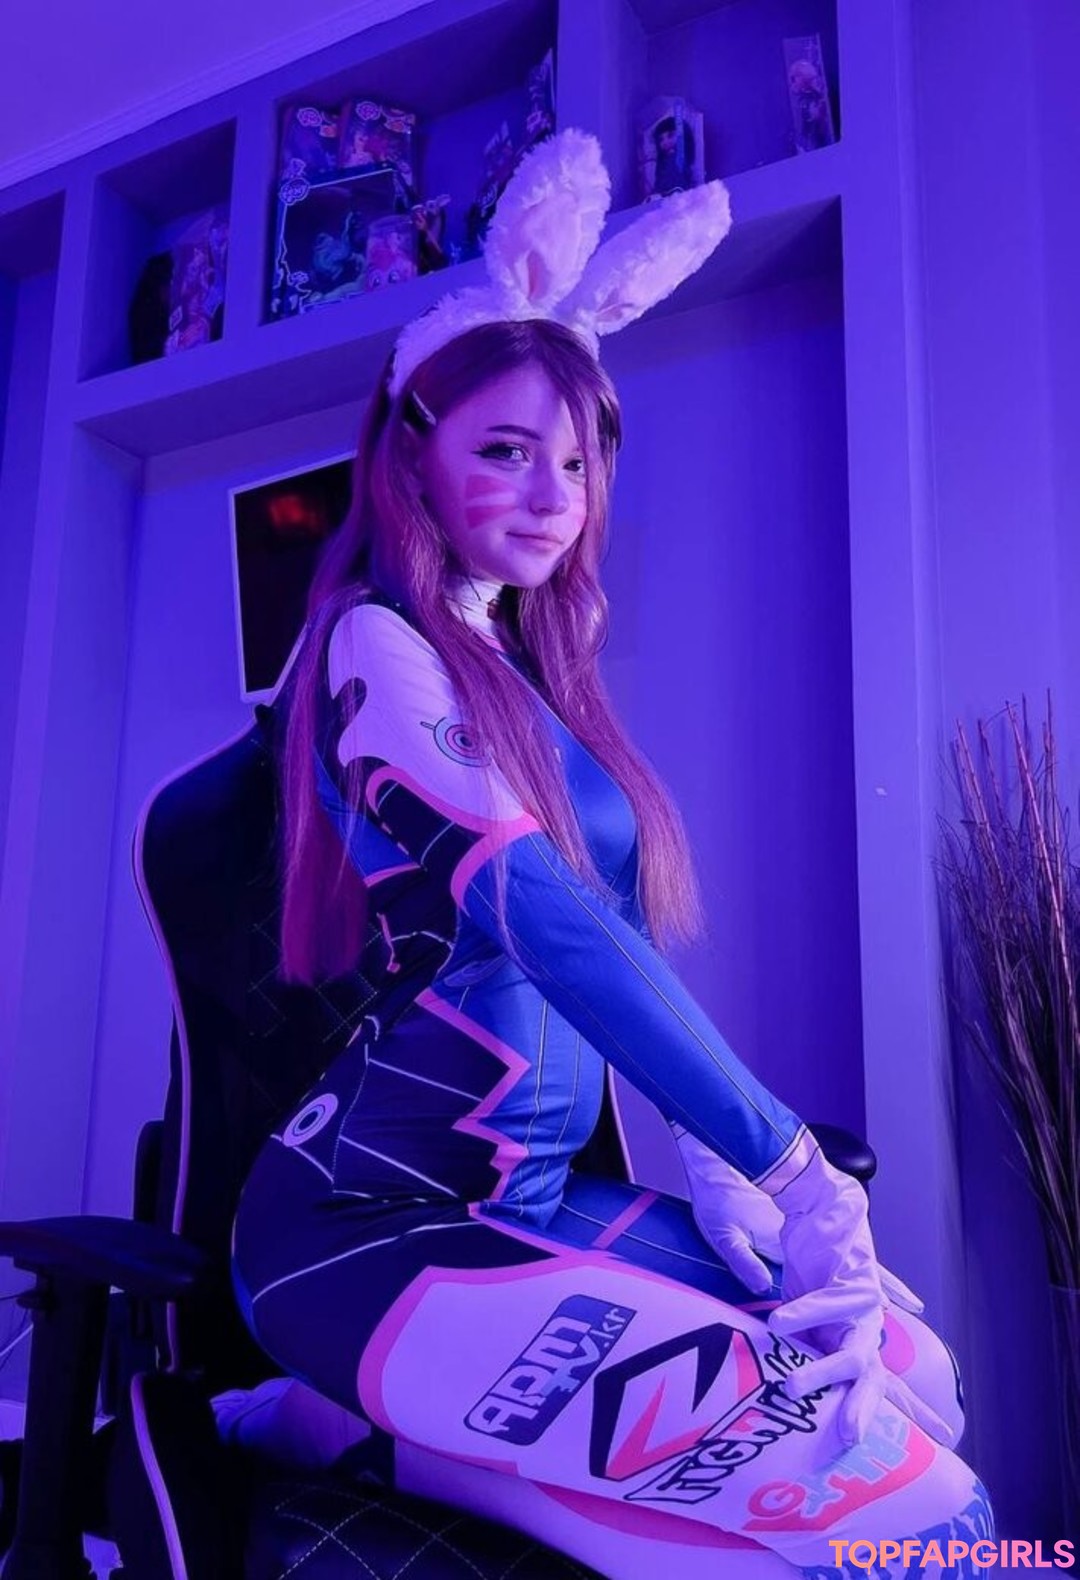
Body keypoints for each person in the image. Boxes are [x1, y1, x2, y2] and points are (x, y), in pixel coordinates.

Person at [230, 130, 993, 1577]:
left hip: (527, 1207)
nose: (551, 494)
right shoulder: (372, 644)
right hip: (366, 1224)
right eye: (504, 450)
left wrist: (720, 1170)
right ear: (411, 455)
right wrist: (796, 1170)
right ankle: (350, 1415)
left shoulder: (529, 683)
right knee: (938, 1535)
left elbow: (620, 943)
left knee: (917, 1378)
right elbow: (541, 917)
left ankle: (353, 1428)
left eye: (576, 462)